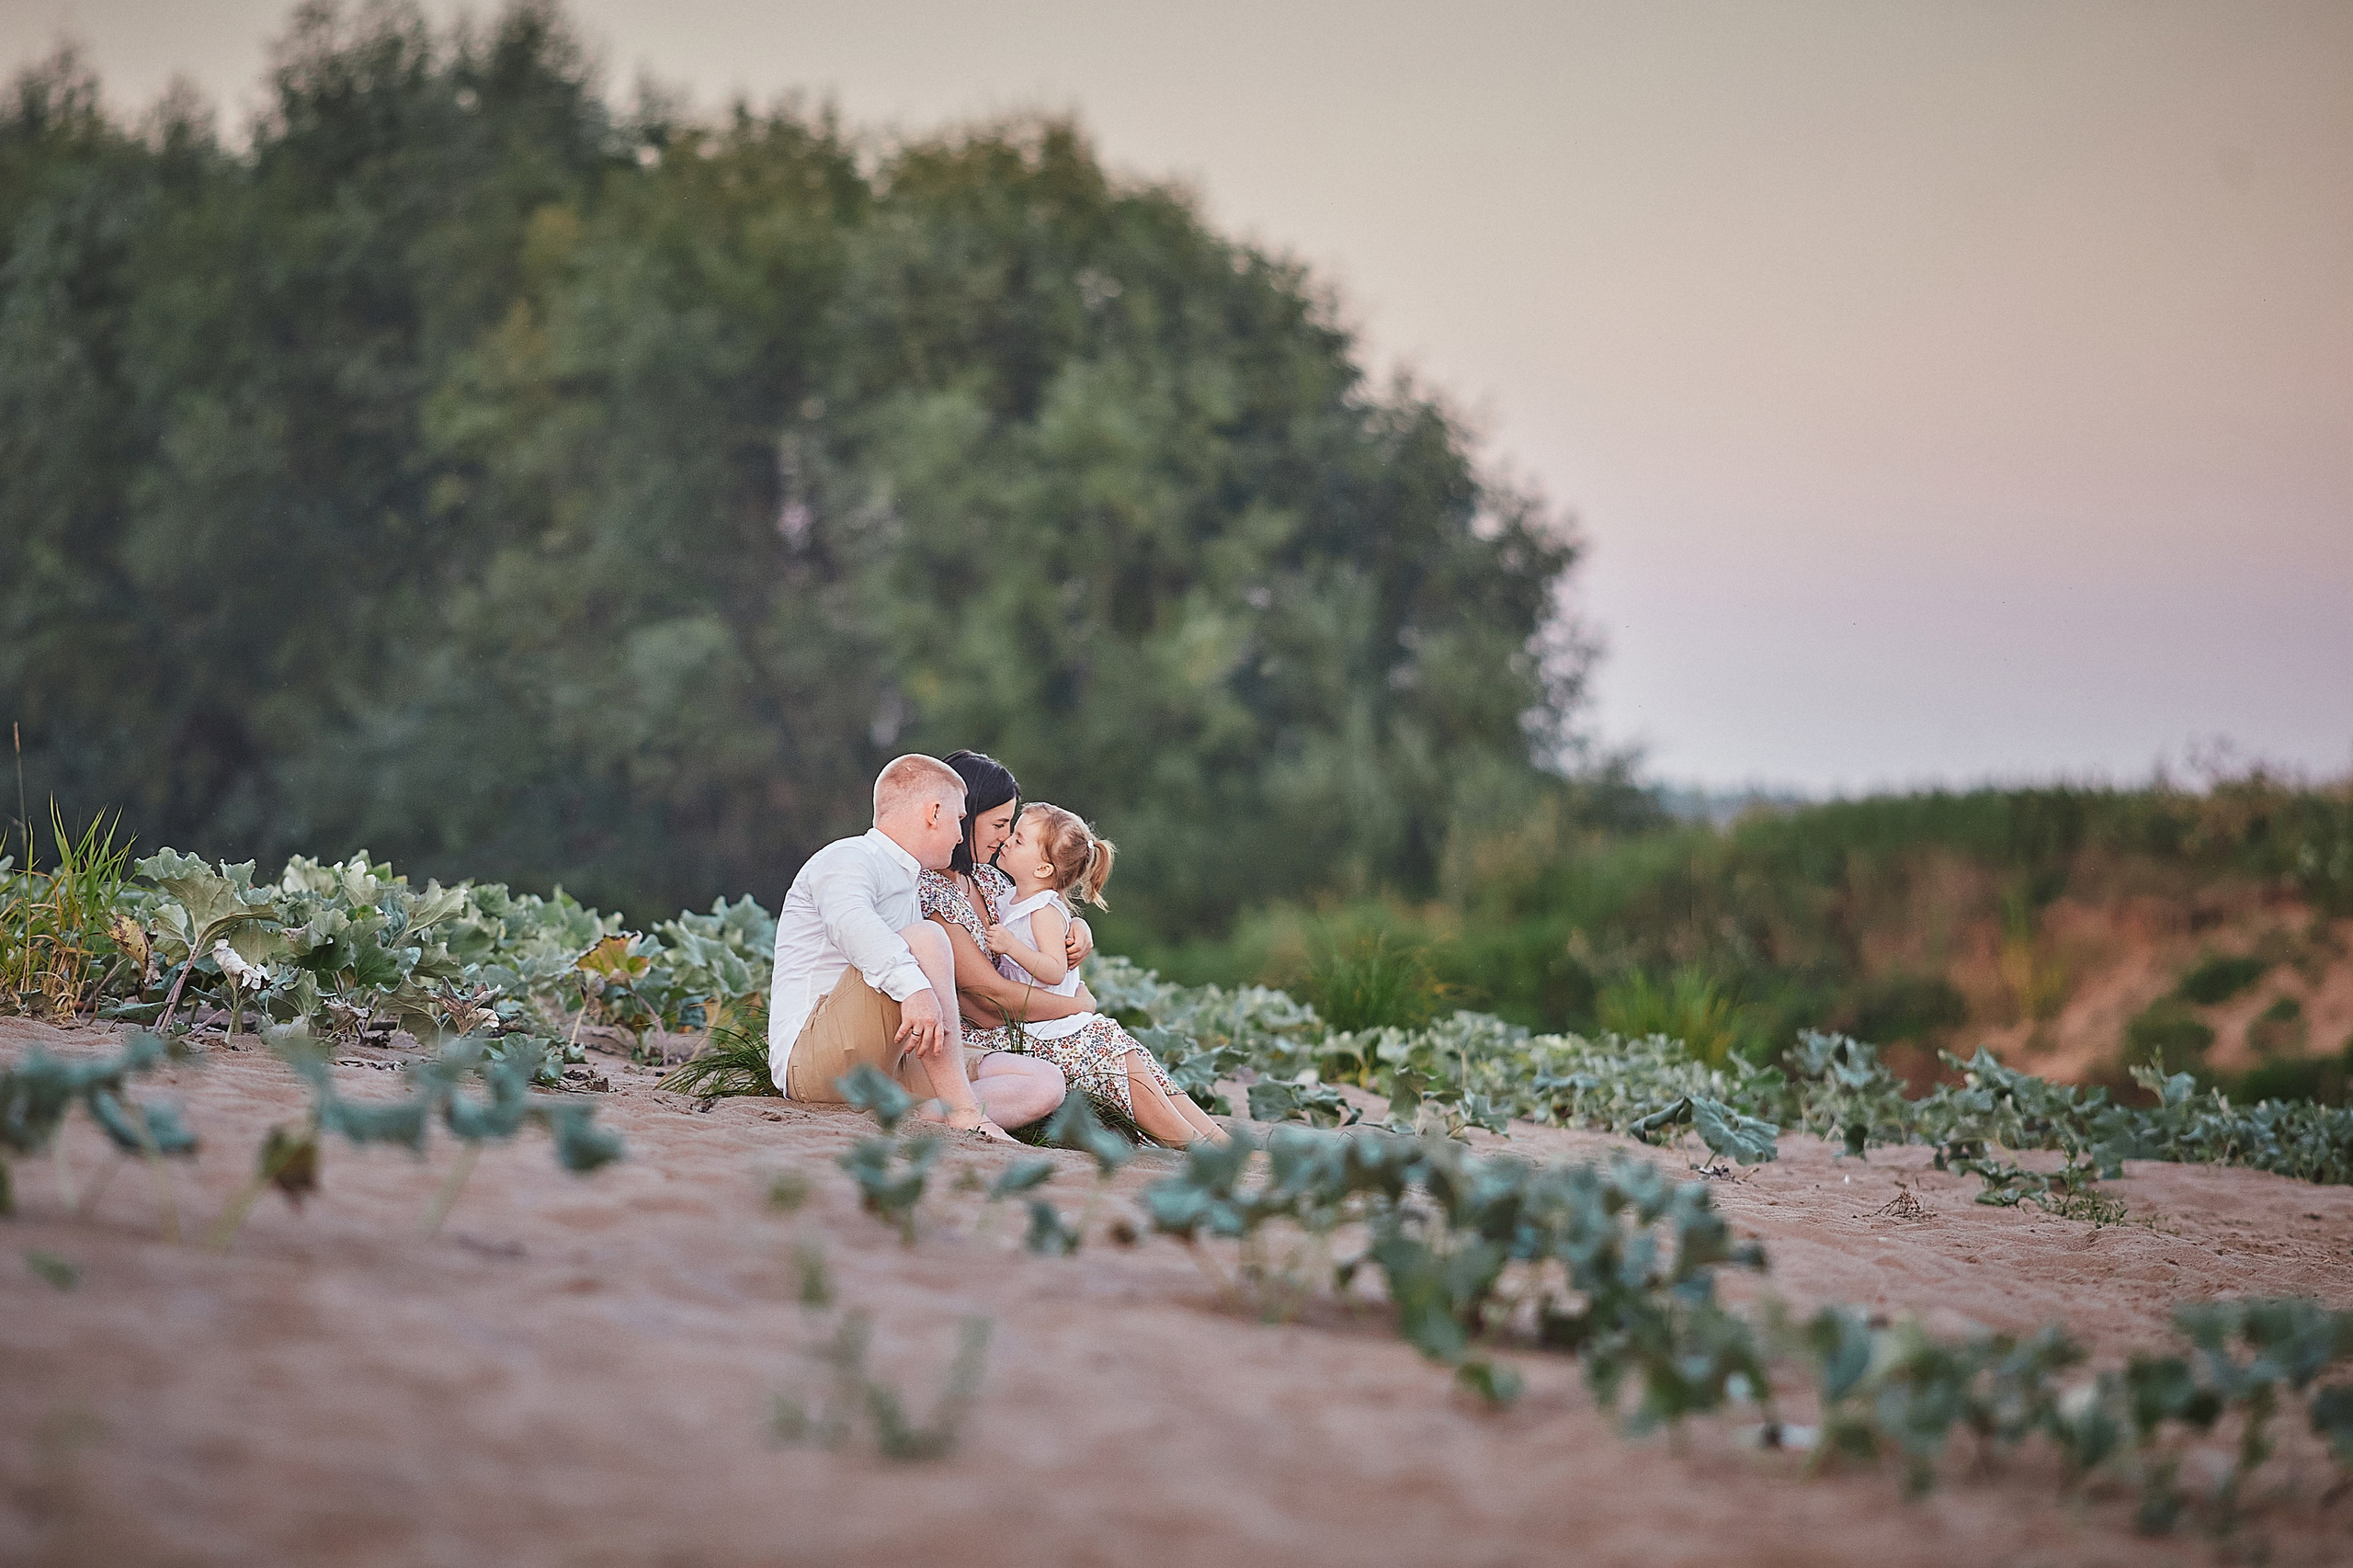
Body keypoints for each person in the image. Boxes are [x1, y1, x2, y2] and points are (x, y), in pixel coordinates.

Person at [919, 751, 1227, 1148]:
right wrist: (1076, 1006)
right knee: (1101, 1040)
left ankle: (1215, 1139)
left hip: (1021, 1024)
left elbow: (1040, 905)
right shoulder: (934, 893)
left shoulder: (985, 880)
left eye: (1010, 828)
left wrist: (1078, 927)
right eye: (998, 824)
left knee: (1121, 1045)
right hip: (983, 1036)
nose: (1004, 837)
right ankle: (1190, 1144)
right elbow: (988, 998)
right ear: (963, 815)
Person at [766, 754, 1063, 1140]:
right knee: (927, 937)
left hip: (892, 1061)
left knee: (1043, 1082)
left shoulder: (912, 882)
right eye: (958, 819)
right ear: (933, 813)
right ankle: (964, 1111)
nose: (961, 836)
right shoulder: (848, 857)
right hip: (815, 1064)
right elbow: (852, 925)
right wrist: (915, 990)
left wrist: (1071, 926)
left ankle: (919, 1118)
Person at [986, 802, 1226, 1147]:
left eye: (1018, 839)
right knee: (1123, 1053)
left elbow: (1054, 970)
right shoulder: (1012, 897)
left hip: (1054, 1025)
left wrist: (1011, 946)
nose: (1007, 841)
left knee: (1126, 1056)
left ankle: (1203, 1140)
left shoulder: (1042, 911)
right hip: (1047, 1023)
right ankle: (1203, 1139)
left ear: (1043, 868)